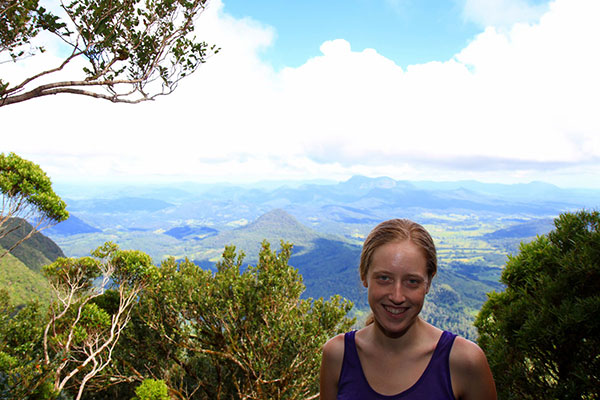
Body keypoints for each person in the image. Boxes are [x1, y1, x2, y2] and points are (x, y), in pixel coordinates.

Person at [320, 219, 497, 400]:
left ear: (428, 283)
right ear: (364, 276)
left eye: (412, 281)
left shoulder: (464, 362)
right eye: (384, 278)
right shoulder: (338, 355)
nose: (397, 297)